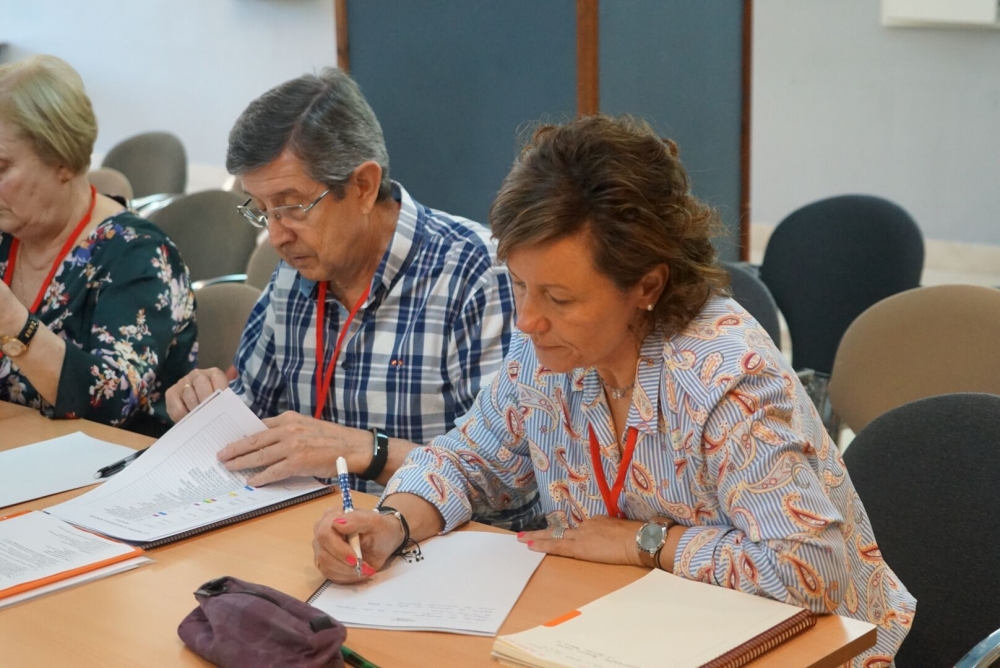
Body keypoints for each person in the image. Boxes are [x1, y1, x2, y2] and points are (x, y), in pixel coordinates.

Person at [312, 115, 915, 664]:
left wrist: (647, 543)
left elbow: (809, 570)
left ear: (646, 285)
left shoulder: (726, 379)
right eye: (519, 285)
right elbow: (468, 460)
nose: (527, 319)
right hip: (632, 634)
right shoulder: (548, 352)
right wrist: (391, 522)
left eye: (559, 298)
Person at [165, 68, 523, 512]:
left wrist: (364, 451)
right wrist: (208, 407)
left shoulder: (476, 274)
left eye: (292, 207)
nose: (276, 236)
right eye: (261, 211)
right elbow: (251, 423)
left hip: (430, 538)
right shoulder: (294, 273)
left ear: (363, 186)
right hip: (305, 528)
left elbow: (504, 478)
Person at [0, 55, 196, 437]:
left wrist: (12, 323)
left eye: (1, 167)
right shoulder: (7, 234)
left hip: (118, 462)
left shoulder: (139, 255)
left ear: (62, 161)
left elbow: (113, 402)